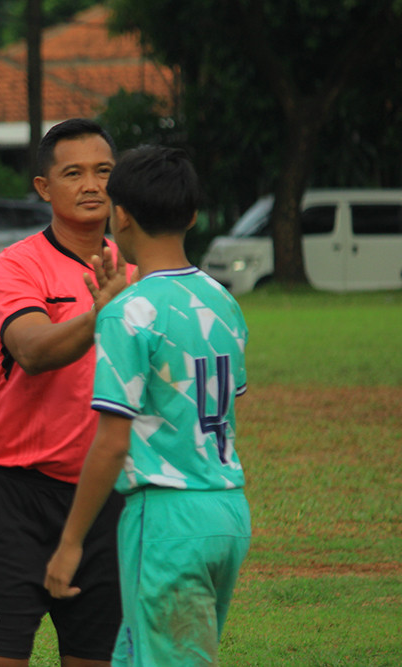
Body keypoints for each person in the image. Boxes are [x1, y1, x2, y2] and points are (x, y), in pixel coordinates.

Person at [44, 146, 251, 666]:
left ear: (122, 215)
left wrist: (70, 543)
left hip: (166, 517)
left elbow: (112, 443)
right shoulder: (222, 299)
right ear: (193, 215)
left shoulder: (129, 310)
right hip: (227, 512)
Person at [0, 118, 134, 667]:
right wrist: (98, 316)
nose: (91, 185)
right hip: (13, 499)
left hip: (106, 499)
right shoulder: (16, 265)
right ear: (43, 187)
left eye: (104, 172)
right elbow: (30, 350)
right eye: (74, 173)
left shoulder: (139, 271)